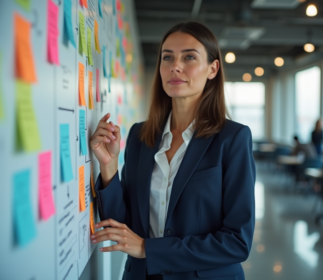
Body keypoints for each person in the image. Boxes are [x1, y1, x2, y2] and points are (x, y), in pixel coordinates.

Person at [89, 22, 256, 280]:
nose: (175, 66)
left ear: (213, 69)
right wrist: (109, 167)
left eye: (189, 57)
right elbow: (122, 226)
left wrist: (148, 248)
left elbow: (237, 241)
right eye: (167, 57)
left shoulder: (232, 138)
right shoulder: (140, 136)